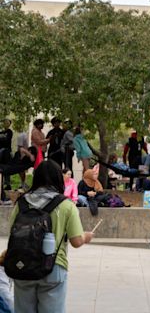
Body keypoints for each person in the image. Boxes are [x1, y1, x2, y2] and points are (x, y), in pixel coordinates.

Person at [8, 160, 93, 313]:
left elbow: (13, 233)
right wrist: (86, 236)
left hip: (22, 265)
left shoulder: (21, 203)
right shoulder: (66, 205)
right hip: (53, 267)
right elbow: (77, 241)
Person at [0, 119, 13, 190]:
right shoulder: (1, 132)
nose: (5, 124)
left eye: (7, 123)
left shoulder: (9, 132)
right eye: (4, 122)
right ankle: (1, 183)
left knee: (7, 167)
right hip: (1, 152)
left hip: (6, 152)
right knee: (1, 168)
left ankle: (8, 184)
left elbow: (7, 140)